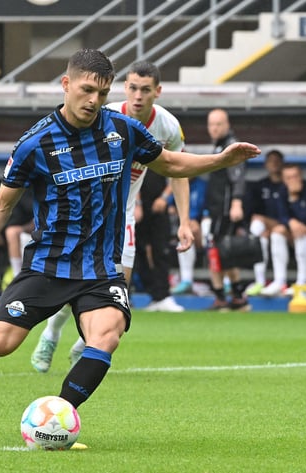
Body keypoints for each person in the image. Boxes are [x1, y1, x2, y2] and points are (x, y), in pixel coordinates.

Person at [0, 50, 260, 429]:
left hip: (101, 268)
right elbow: (2, 206)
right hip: (49, 264)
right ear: (66, 85)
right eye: (87, 90)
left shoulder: (123, 130)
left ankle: (56, 418)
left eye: (102, 94)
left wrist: (219, 160)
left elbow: (169, 163)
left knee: (106, 336)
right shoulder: (35, 143)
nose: (94, 101)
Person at [28, 60, 193, 374]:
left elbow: (179, 170)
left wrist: (184, 221)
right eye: (132, 87)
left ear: (157, 91)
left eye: (146, 89)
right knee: (77, 280)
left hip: (123, 214)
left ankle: (84, 346)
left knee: (118, 287)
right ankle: (51, 334)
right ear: (124, 88)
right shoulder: (107, 118)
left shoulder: (168, 127)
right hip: (89, 213)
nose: (138, 95)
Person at [202, 108, 253, 310]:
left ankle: (221, 296)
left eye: (218, 124)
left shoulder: (231, 146)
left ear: (227, 125)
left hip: (224, 210)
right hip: (216, 209)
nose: (214, 128)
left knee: (214, 250)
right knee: (224, 252)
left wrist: (236, 202)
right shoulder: (218, 147)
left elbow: (238, 176)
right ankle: (238, 296)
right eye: (211, 124)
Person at [260, 163, 306, 296]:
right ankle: (279, 281)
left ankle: (302, 281)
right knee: (277, 232)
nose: (292, 180)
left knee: (300, 232)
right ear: (283, 179)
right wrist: (290, 222)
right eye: (288, 178)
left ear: (301, 176)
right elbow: (281, 215)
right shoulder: (282, 191)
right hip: (293, 229)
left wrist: (294, 199)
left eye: (295, 176)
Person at [244, 149, 287, 296]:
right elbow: (253, 212)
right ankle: (260, 281)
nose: (274, 164)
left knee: (277, 235)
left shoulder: (287, 186)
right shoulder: (259, 186)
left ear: (282, 164)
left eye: (277, 160)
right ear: (265, 164)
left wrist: (272, 224)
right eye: (271, 161)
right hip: (266, 229)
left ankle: (281, 282)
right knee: (257, 228)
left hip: (286, 228)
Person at [170, 175, 208, 295]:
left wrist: (199, 222)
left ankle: (225, 281)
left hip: (202, 224)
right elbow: (170, 206)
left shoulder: (203, 185)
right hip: (185, 224)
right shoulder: (177, 181)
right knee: (184, 239)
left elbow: (209, 208)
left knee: (209, 229)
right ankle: (186, 280)